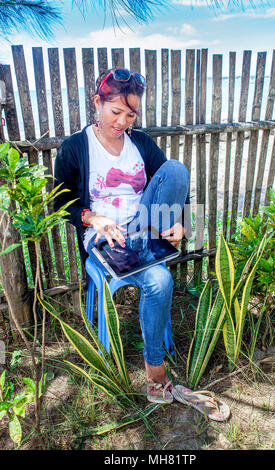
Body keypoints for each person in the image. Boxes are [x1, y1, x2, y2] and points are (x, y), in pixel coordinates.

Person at [54, 68, 191, 404]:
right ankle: (157, 374)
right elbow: (61, 202)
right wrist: (91, 217)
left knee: (175, 169)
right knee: (159, 281)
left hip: (143, 229)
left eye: (130, 114)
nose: (122, 122)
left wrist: (181, 221)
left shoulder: (141, 142)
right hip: (105, 240)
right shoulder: (75, 147)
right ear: (97, 102)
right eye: (116, 112)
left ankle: (153, 365)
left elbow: (174, 186)